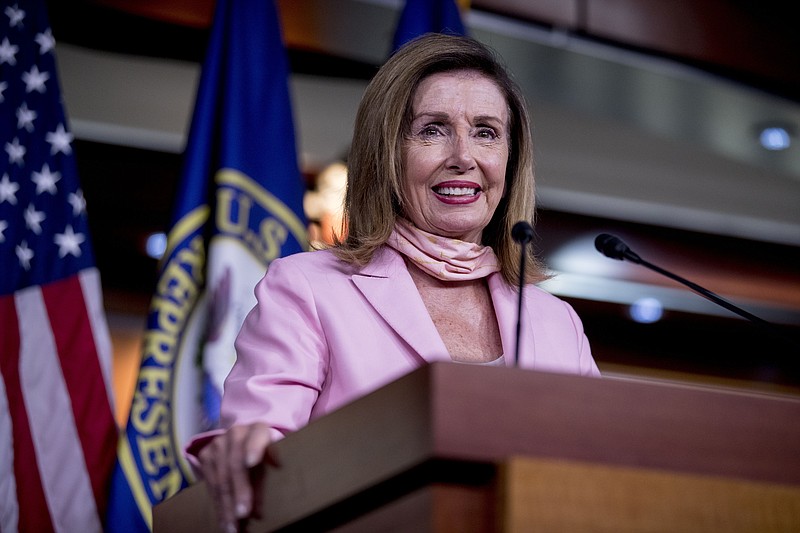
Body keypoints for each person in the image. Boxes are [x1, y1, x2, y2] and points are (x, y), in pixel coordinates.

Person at [186, 32, 600, 532]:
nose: (463, 157)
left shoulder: (555, 321)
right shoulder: (309, 289)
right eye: (432, 130)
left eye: (487, 132)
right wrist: (244, 446)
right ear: (387, 152)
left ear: (511, 163)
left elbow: (595, 476)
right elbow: (261, 440)